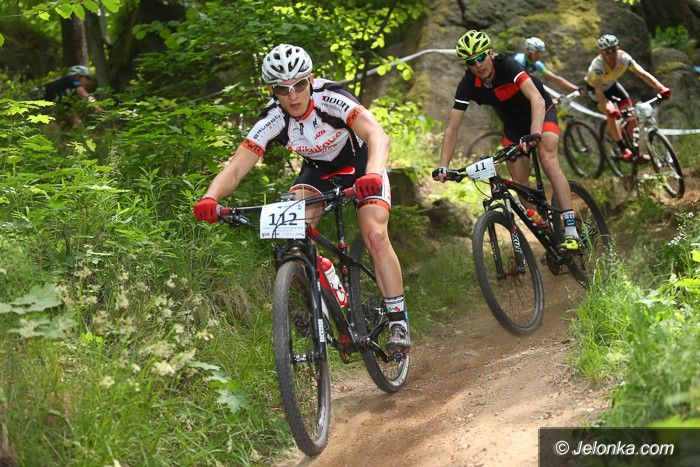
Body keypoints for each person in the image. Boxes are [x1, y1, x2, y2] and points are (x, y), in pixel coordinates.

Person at [193, 44, 410, 355]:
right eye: (283, 89)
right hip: (317, 172)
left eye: (299, 85)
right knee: (292, 234)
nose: (293, 95)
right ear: (272, 91)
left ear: (310, 80)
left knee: (374, 234)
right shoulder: (272, 118)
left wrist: (373, 173)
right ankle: (323, 285)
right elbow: (237, 167)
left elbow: (377, 135)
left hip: (361, 164)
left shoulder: (331, 97)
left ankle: (397, 320)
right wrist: (210, 197)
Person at [433, 30, 581, 252]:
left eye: (480, 57)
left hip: (540, 113)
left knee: (548, 160)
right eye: (471, 62)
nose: (478, 65)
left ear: (490, 53)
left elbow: (537, 99)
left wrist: (535, 133)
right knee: (520, 184)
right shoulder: (468, 84)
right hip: (514, 126)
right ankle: (548, 233)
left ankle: (571, 229)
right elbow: (453, 128)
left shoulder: (508, 65)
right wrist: (443, 165)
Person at [584, 34, 671, 164]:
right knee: (611, 115)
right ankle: (623, 148)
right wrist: (607, 106)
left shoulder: (624, 58)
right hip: (597, 90)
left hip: (612, 85)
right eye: (607, 52)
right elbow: (599, 91)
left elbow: (642, 73)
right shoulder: (598, 67)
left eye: (613, 50)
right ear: (601, 54)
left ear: (618, 48)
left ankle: (637, 152)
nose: (611, 54)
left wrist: (661, 88)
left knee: (631, 115)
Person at [513, 37, 579, 93]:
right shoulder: (519, 60)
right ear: (529, 51)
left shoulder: (537, 64)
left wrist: (576, 88)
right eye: (537, 53)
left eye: (540, 52)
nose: (539, 55)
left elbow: (555, 79)